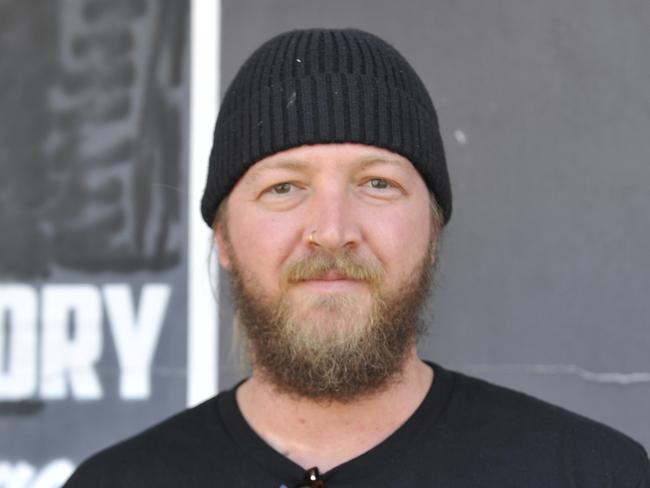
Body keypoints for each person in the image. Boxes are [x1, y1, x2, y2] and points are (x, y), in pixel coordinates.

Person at [64, 28, 649, 488]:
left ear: (433, 229)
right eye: (284, 188)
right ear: (224, 239)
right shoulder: (117, 483)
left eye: (376, 184)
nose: (332, 230)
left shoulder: (591, 474)